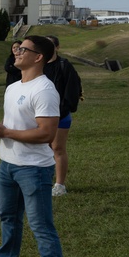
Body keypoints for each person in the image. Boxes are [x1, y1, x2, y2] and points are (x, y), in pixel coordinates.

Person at [0, 35, 66, 257]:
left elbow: (46, 134)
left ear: (38, 57)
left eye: (23, 49)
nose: (16, 51)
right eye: (17, 48)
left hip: (34, 170)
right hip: (8, 165)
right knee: (8, 215)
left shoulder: (45, 90)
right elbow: (14, 123)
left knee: (41, 226)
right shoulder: (13, 87)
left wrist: (9, 132)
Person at [43, 35, 83, 197]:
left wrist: (63, 109)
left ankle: (60, 184)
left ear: (57, 47)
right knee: (43, 149)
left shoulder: (64, 65)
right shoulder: (37, 65)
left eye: (50, 45)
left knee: (57, 148)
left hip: (60, 115)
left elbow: (73, 90)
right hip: (40, 116)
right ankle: (44, 180)